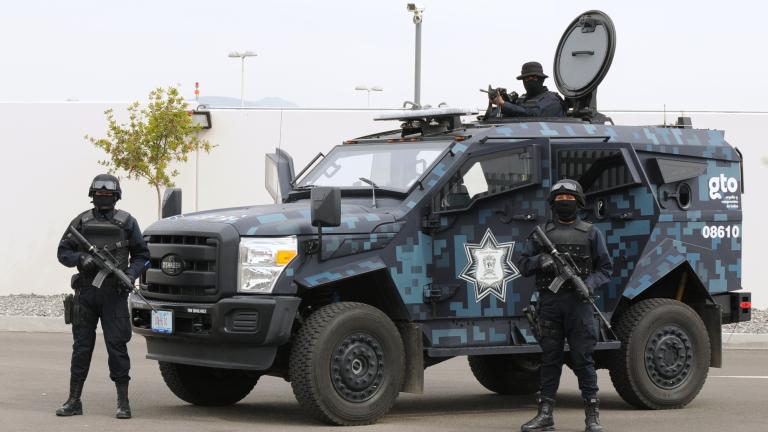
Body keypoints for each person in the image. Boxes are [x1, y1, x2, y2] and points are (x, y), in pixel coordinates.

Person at [517, 179, 613, 432]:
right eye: (559, 199)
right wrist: (541, 260)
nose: (564, 203)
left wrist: (589, 285)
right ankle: (545, 415)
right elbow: (523, 265)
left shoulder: (592, 232)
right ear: (552, 203)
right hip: (550, 303)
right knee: (550, 360)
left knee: (583, 360)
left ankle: (592, 416)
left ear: (578, 202)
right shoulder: (542, 232)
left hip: (579, 304)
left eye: (568, 199)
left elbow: (605, 269)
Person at [55, 174, 149, 419]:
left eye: (108, 194)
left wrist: (129, 275)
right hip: (86, 292)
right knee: (81, 349)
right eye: (100, 194)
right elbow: (63, 251)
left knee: (117, 348)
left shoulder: (127, 222)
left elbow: (142, 255)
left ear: (116, 196)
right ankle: (74, 401)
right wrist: (80, 259)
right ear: (92, 195)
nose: (103, 197)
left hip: (114, 294)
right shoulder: (81, 222)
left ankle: (123, 402)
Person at [485, 61, 566, 119]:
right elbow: (496, 116)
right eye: (526, 79)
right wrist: (499, 102)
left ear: (542, 79)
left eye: (534, 78)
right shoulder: (521, 100)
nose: (529, 82)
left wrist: (504, 104)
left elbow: (534, 116)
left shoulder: (552, 100)